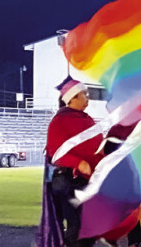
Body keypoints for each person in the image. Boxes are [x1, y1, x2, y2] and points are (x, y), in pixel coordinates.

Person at [44, 77, 104, 247]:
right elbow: (54, 152)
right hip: (69, 180)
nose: (88, 97)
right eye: (84, 94)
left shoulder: (87, 119)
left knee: (89, 226)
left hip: (86, 180)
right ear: (72, 98)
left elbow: (97, 147)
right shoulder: (59, 121)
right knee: (78, 226)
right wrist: (78, 163)